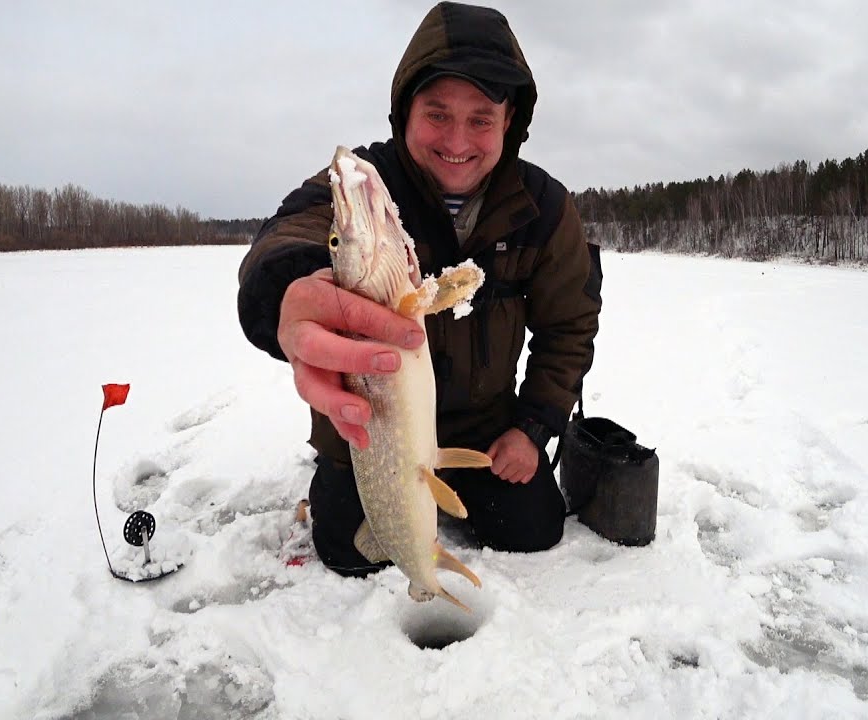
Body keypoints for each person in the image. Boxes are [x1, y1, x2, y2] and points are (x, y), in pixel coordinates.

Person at [237, 1, 601, 576]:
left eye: (481, 118)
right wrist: (288, 290)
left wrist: (533, 428)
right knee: (347, 552)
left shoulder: (545, 207)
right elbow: (287, 236)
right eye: (437, 114)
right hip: (367, 433)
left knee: (532, 530)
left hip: (485, 429)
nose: (458, 139)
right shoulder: (363, 188)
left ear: (510, 121)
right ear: (404, 111)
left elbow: (570, 328)